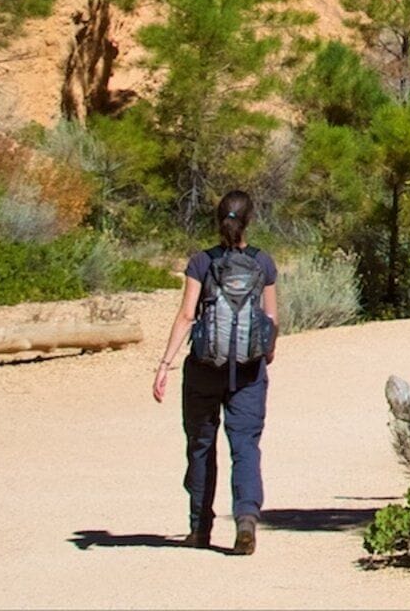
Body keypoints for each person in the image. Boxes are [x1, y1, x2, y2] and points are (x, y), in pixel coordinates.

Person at [150, 188, 282, 554]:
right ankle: (245, 520)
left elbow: (186, 316)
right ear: (249, 220)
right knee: (245, 446)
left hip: (203, 370)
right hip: (248, 371)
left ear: (218, 220)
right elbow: (272, 318)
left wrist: (165, 363)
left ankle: (199, 528)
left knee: (201, 446)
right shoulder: (263, 263)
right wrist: (266, 353)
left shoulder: (201, 262)